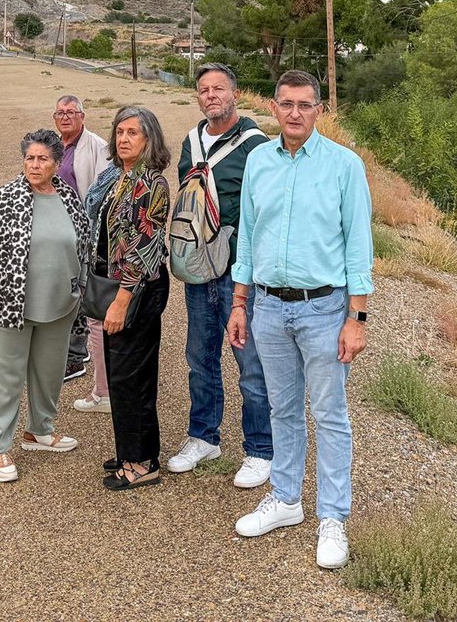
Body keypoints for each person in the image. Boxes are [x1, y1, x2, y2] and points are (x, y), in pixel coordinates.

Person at [227, 70, 373, 569]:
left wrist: (357, 318)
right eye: (286, 104)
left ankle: (333, 517)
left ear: (319, 110)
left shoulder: (344, 166)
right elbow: (248, 236)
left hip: (324, 309)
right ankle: (287, 499)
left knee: (330, 415)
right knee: (282, 409)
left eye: (305, 104)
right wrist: (240, 303)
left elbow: (358, 246)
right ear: (273, 107)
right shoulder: (258, 161)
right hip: (268, 307)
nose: (295, 113)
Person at [168, 63, 274, 489]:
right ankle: (203, 436)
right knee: (200, 358)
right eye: (204, 90)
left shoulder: (256, 145)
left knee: (250, 362)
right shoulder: (191, 142)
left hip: (238, 272)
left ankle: (261, 449)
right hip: (199, 268)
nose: (211, 95)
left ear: (235, 94)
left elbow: (264, 211)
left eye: (219, 88)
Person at [0, 129, 91, 483]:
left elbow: (83, 246)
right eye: (29, 158)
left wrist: (81, 289)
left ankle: (39, 431)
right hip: (10, 303)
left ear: (57, 163)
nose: (35, 165)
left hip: (61, 304)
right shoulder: (5, 199)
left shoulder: (69, 199)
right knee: (4, 378)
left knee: (49, 373)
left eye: (43, 159)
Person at [85, 105, 171, 490]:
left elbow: (143, 248)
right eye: (119, 132)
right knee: (120, 375)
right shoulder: (117, 176)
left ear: (149, 139)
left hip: (135, 288)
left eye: (132, 133)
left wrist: (121, 301)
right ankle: (129, 450)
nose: (123, 139)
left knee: (133, 377)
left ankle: (142, 462)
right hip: (114, 284)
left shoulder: (151, 184)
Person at [52, 95, 111, 390]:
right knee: (65, 290)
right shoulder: (53, 145)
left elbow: (102, 192)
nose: (65, 117)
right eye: (60, 113)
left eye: (71, 112)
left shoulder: (97, 146)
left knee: (83, 292)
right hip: (57, 231)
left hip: (83, 232)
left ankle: (76, 356)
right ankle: (74, 351)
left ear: (82, 117)